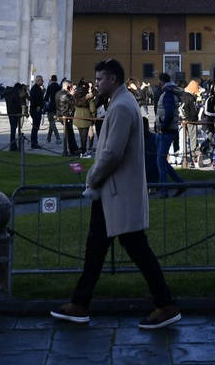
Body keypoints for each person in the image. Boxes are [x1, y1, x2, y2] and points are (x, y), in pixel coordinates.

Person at [50, 58, 181, 330]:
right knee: (95, 249)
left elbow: (111, 153)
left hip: (117, 191)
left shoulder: (121, 106)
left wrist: (92, 177)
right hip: (112, 192)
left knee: (136, 248)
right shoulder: (122, 102)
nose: (96, 84)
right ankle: (80, 303)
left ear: (112, 79)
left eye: (99, 79)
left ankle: (166, 304)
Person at [151, 74, 181, 191]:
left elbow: (168, 113)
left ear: (161, 81)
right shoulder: (168, 92)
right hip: (166, 131)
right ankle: (179, 183)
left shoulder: (168, 94)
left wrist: (163, 127)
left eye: (158, 81)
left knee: (160, 161)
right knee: (161, 160)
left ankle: (163, 189)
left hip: (166, 132)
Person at [2, 81, 26, 152]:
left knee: (13, 129)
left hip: (10, 112)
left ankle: (13, 145)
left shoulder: (8, 92)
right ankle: (13, 146)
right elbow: (17, 103)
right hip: (15, 113)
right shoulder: (15, 93)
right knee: (13, 129)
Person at [27, 75, 46, 148]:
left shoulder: (37, 88)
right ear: (38, 81)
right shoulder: (35, 88)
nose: (43, 81)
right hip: (35, 110)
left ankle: (35, 142)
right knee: (35, 127)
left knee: (36, 127)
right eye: (42, 80)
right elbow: (36, 99)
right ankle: (34, 143)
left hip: (36, 109)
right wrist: (38, 107)